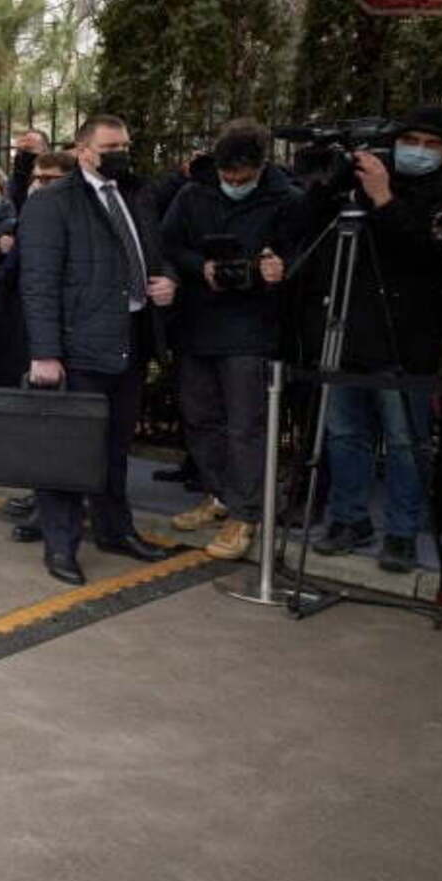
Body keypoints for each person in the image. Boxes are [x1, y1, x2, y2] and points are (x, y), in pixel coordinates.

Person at [300, 105, 442, 572]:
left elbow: (429, 253)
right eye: (411, 139)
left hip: (408, 337)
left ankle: (401, 532)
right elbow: (307, 223)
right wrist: (337, 178)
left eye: (431, 143)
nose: (417, 150)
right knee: (344, 434)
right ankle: (348, 519)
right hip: (350, 328)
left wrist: (384, 197)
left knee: (405, 441)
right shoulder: (365, 175)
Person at [21, 115, 179, 586]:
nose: (121, 153)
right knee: (68, 454)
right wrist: (45, 353)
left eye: (126, 144)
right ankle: (61, 546)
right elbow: (39, 284)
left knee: (114, 449)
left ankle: (115, 531)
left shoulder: (134, 195)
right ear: (83, 150)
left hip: (129, 340)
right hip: (77, 348)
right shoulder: (53, 203)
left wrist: (169, 280)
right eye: (111, 146)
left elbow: (155, 253)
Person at [159, 121, 302, 561]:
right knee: (200, 416)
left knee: (246, 425)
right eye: (228, 175)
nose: (234, 183)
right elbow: (168, 244)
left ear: (261, 166)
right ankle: (219, 493)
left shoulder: (288, 201)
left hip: (252, 328)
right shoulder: (192, 194)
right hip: (198, 324)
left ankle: (246, 511)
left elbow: (302, 257)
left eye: (244, 176)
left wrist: (279, 269)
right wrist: (199, 266)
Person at [0, 151, 75, 540]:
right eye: (37, 177)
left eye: (50, 178)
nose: (39, 184)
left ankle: (55, 507)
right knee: (38, 417)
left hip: (61, 333)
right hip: (25, 325)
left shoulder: (74, 218)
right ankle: (41, 495)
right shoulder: (34, 213)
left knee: (59, 424)